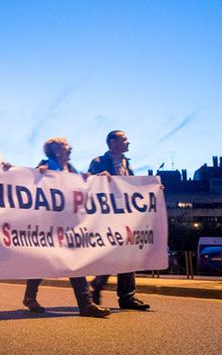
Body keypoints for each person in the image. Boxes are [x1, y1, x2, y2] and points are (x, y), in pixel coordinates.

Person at [21, 138, 111, 318]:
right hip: (50, 225)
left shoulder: (72, 170)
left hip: (69, 225)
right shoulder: (46, 165)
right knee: (44, 262)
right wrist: (38, 175)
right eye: (64, 145)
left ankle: (86, 304)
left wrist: (96, 180)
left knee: (74, 261)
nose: (69, 148)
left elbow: (83, 187)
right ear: (55, 150)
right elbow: (33, 186)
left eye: (68, 145)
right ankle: (30, 296)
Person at [87, 130, 151, 311]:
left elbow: (133, 187)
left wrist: (153, 189)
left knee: (127, 255)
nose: (128, 142)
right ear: (112, 142)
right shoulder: (99, 162)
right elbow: (88, 184)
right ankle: (100, 284)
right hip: (107, 217)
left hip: (125, 217)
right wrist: (98, 178)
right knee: (111, 254)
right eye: (124, 139)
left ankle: (126, 297)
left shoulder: (126, 164)